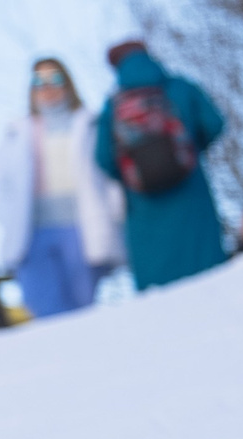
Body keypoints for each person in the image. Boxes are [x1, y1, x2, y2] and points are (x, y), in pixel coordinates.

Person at [0, 56, 124, 318]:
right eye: (39, 81)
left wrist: (115, 215)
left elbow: (110, 178)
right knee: (43, 309)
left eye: (54, 79)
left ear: (68, 83)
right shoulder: (16, 132)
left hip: (81, 229)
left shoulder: (91, 124)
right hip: (33, 234)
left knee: (83, 310)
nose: (47, 87)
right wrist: (8, 219)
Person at [96, 39, 227, 291]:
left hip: (144, 208)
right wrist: (189, 152)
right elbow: (214, 123)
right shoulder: (180, 87)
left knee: (160, 293)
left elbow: (103, 158)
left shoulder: (113, 106)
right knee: (209, 279)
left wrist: (131, 173)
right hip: (192, 196)